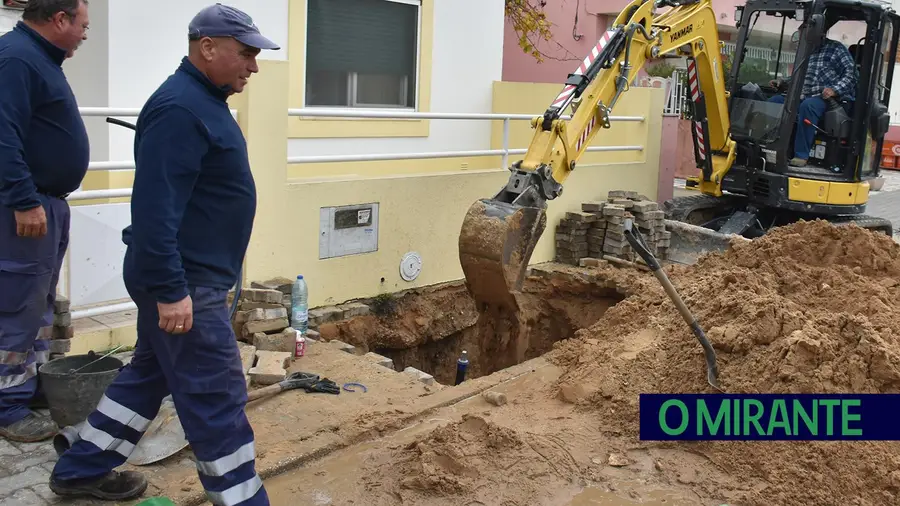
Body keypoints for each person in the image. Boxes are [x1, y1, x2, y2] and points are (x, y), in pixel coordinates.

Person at [49, 3, 279, 503]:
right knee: (216, 397)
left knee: (146, 379)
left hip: (185, 278)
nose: (253, 66)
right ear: (207, 48)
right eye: (246, 54)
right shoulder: (181, 109)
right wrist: (174, 291)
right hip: (184, 282)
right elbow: (155, 211)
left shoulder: (201, 101)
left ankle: (80, 470)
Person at [0, 0, 90, 443]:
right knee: (16, 304)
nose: (85, 33)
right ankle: (7, 407)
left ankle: (26, 386)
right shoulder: (17, 58)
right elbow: (2, 133)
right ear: (59, 20)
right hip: (24, 208)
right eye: (83, 24)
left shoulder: (38, 59)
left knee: (36, 303)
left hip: (45, 203)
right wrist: (22, 199)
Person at [768, 34, 858, 166]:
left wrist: (835, 90)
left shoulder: (836, 49)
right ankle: (769, 147)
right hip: (804, 95)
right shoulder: (807, 52)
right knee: (774, 102)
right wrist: (782, 82)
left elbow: (852, 74)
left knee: (808, 106)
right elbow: (799, 76)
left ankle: (801, 156)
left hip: (829, 99)